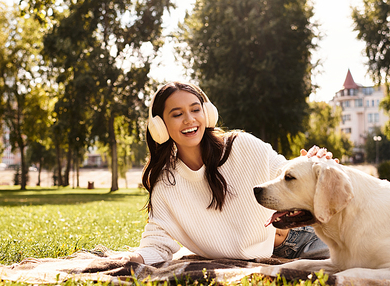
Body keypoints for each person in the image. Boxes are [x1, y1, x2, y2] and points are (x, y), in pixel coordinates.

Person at [110, 82, 331, 264]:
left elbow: (283, 173)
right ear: (160, 126)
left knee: (364, 255)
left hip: (304, 235)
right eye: (177, 114)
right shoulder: (166, 184)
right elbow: (157, 242)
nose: (189, 119)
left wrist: (311, 164)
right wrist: (135, 257)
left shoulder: (241, 145)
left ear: (207, 113)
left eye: (195, 109)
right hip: (274, 256)